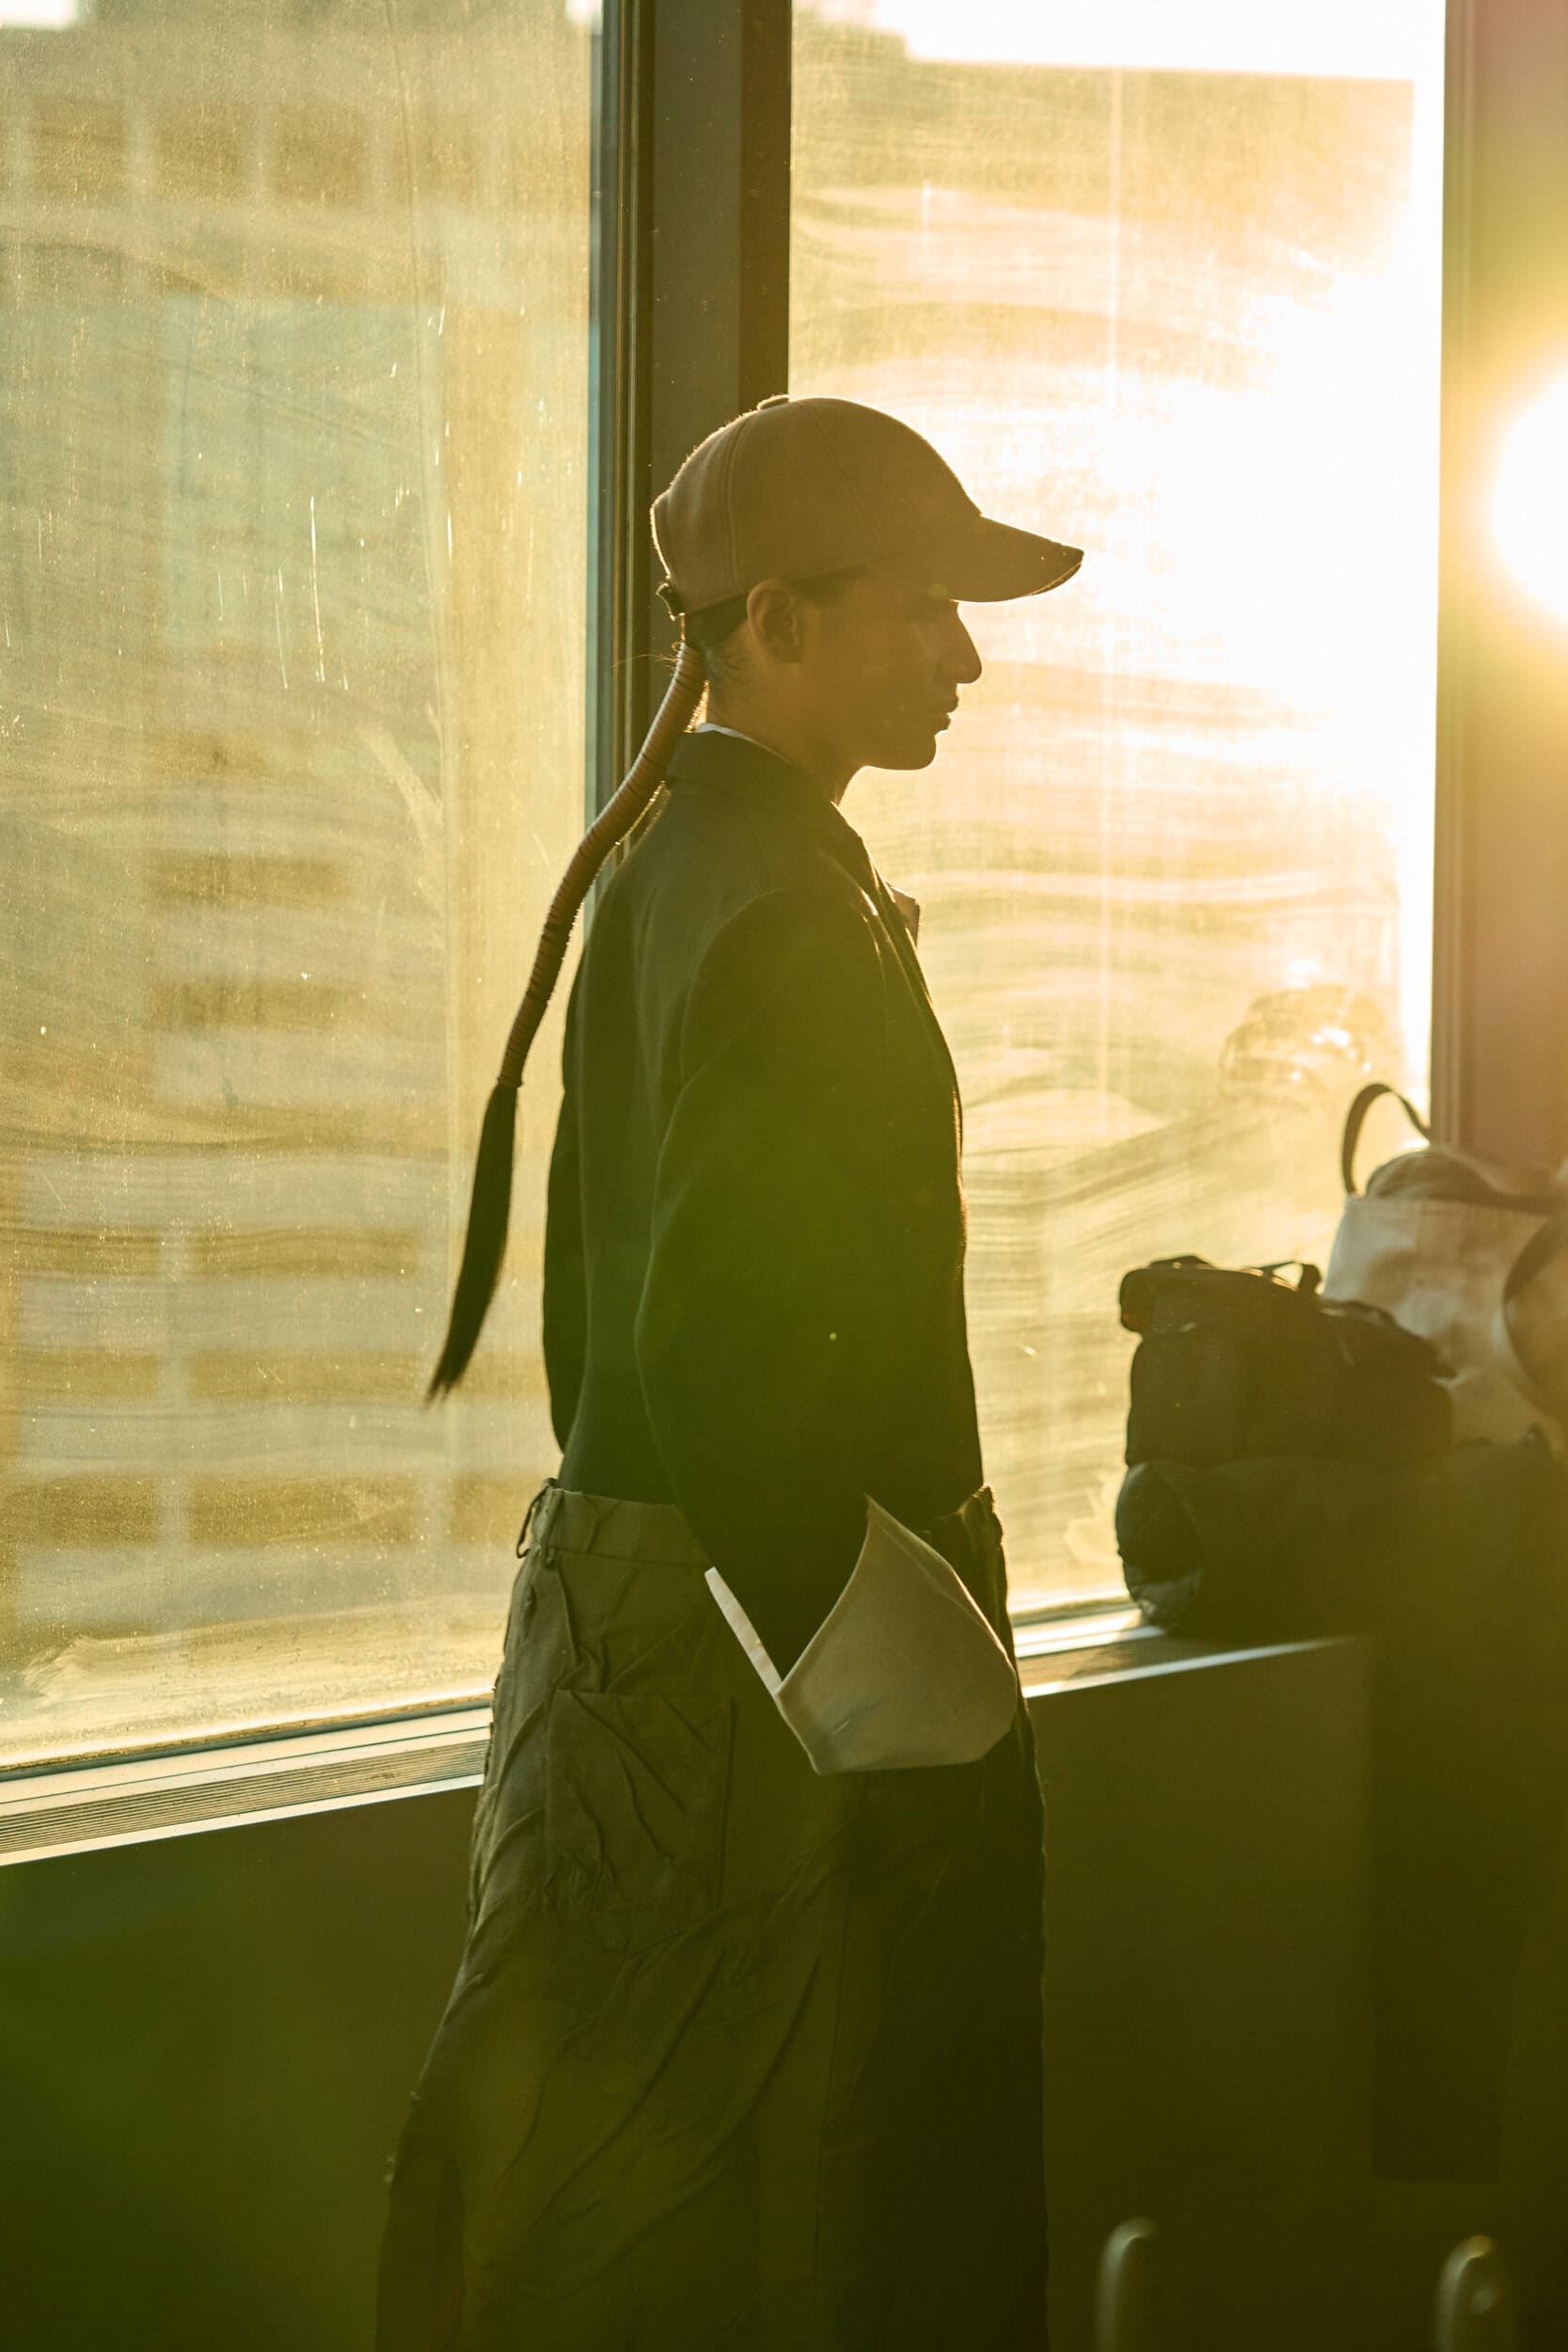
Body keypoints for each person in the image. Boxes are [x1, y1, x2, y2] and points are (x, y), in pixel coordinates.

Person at [376, 395, 1083, 2352]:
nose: (965, 652)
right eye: (923, 607)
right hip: (758, 1669)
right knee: (819, 2223)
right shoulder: (784, 908)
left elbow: (605, 1345)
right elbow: (700, 1346)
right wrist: (889, 1666)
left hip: (634, 1631)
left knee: (618, 2206)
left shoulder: (672, 866)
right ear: (775, 619)